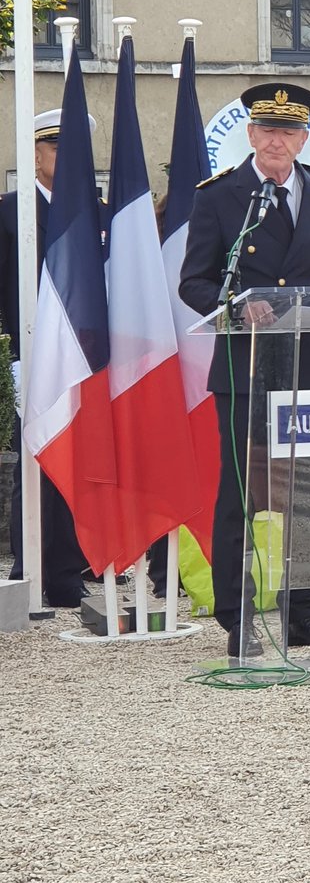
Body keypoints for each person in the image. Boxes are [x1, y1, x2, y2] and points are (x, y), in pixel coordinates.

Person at [179, 82, 310, 658]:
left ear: (304, 139)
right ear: (250, 136)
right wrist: (235, 305)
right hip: (246, 366)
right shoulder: (220, 197)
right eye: (268, 131)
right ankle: (239, 613)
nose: (278, 141)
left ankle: (306, 610)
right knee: (243, 493)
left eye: (289, 132)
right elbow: (195, 280)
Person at [1, 109, 92, 607]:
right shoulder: (10, 211)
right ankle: (31, 567)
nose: (67, 157)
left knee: (77, 463)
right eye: (57, 148)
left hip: (82, 355)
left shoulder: (94, 211)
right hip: (32, 354)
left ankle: (68, 571)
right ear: (35, 156)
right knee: (36, 460)